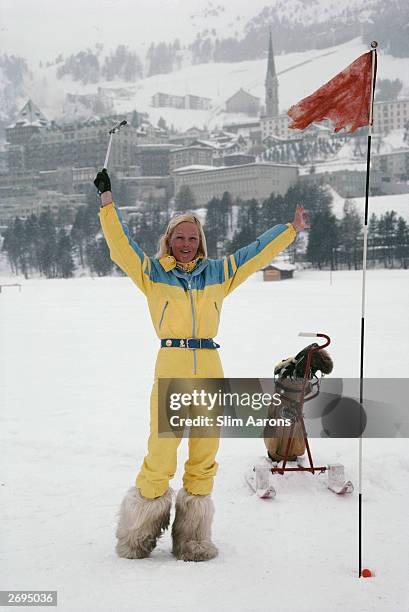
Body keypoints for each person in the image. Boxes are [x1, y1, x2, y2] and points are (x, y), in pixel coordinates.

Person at [94, 168, 310, 562]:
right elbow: (120, 246)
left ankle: (193, 538)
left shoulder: (219, 274)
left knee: (205, 453)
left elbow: (252, 254)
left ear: (201, 242)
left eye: (193, 238)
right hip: (172, 366)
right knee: (161, 452)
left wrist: (289, 230)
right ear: (169, 240)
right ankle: (137, 536)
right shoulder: (152, 273)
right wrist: (107, 202)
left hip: (210, 367)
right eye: (180, 237)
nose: (187, 244)